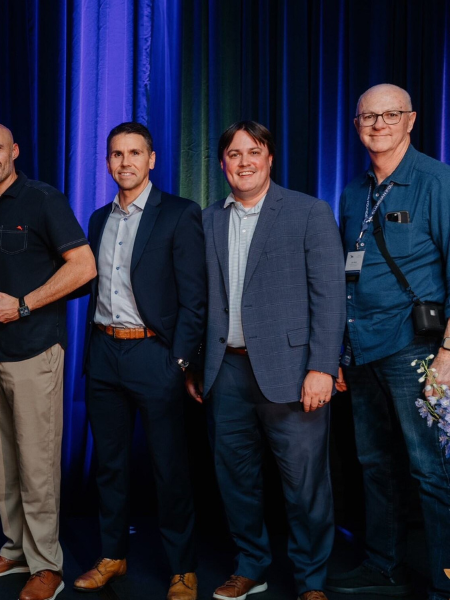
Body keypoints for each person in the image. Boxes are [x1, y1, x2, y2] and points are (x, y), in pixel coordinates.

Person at [187, 121, 344, 600]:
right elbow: (199, 299)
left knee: (304, 485)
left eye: (253, 152)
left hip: (294, 372)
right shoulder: (207, 219)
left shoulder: (308, 212)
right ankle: (251, 565)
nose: (244, 162)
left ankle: (311, 581)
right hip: (225, 371)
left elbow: (330, 295)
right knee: (235, 480)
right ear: (222, 163)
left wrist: (323, 366)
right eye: (234, 154)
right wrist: (196, 363)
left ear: (269, 158)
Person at [325, 84, 450, 600]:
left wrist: (448, 355)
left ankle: (446, 580)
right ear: (356, 124)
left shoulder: (437, 181)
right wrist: (338, 352)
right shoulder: (353, 192)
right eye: (368, 116)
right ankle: (384, 565)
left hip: (417, 349)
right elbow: (344, 275)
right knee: (375, 463)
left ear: (411, 120)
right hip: (361, 348)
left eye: (390, 115)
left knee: (431, 468)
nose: (379, 124)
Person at [74, 122, 205, 600]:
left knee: (169, 468)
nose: (124, 162)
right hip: (105, 354)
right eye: (116, 154)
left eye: (134, 153)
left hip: (155, 354)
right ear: (107, 162)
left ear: (151, 159)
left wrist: (179, 363)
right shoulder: (97, 219)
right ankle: (113, 555)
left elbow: (195, 298)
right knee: (109, 466)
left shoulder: (179, 213)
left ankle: (183, 568)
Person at [0, 122, 95, 600]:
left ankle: (46, 565)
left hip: (34, 350)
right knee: (3, 462)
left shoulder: (43, 200)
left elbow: (84, 267)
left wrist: (22, 305)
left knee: (37, 464)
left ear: (14, 151)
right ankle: (16, 548)